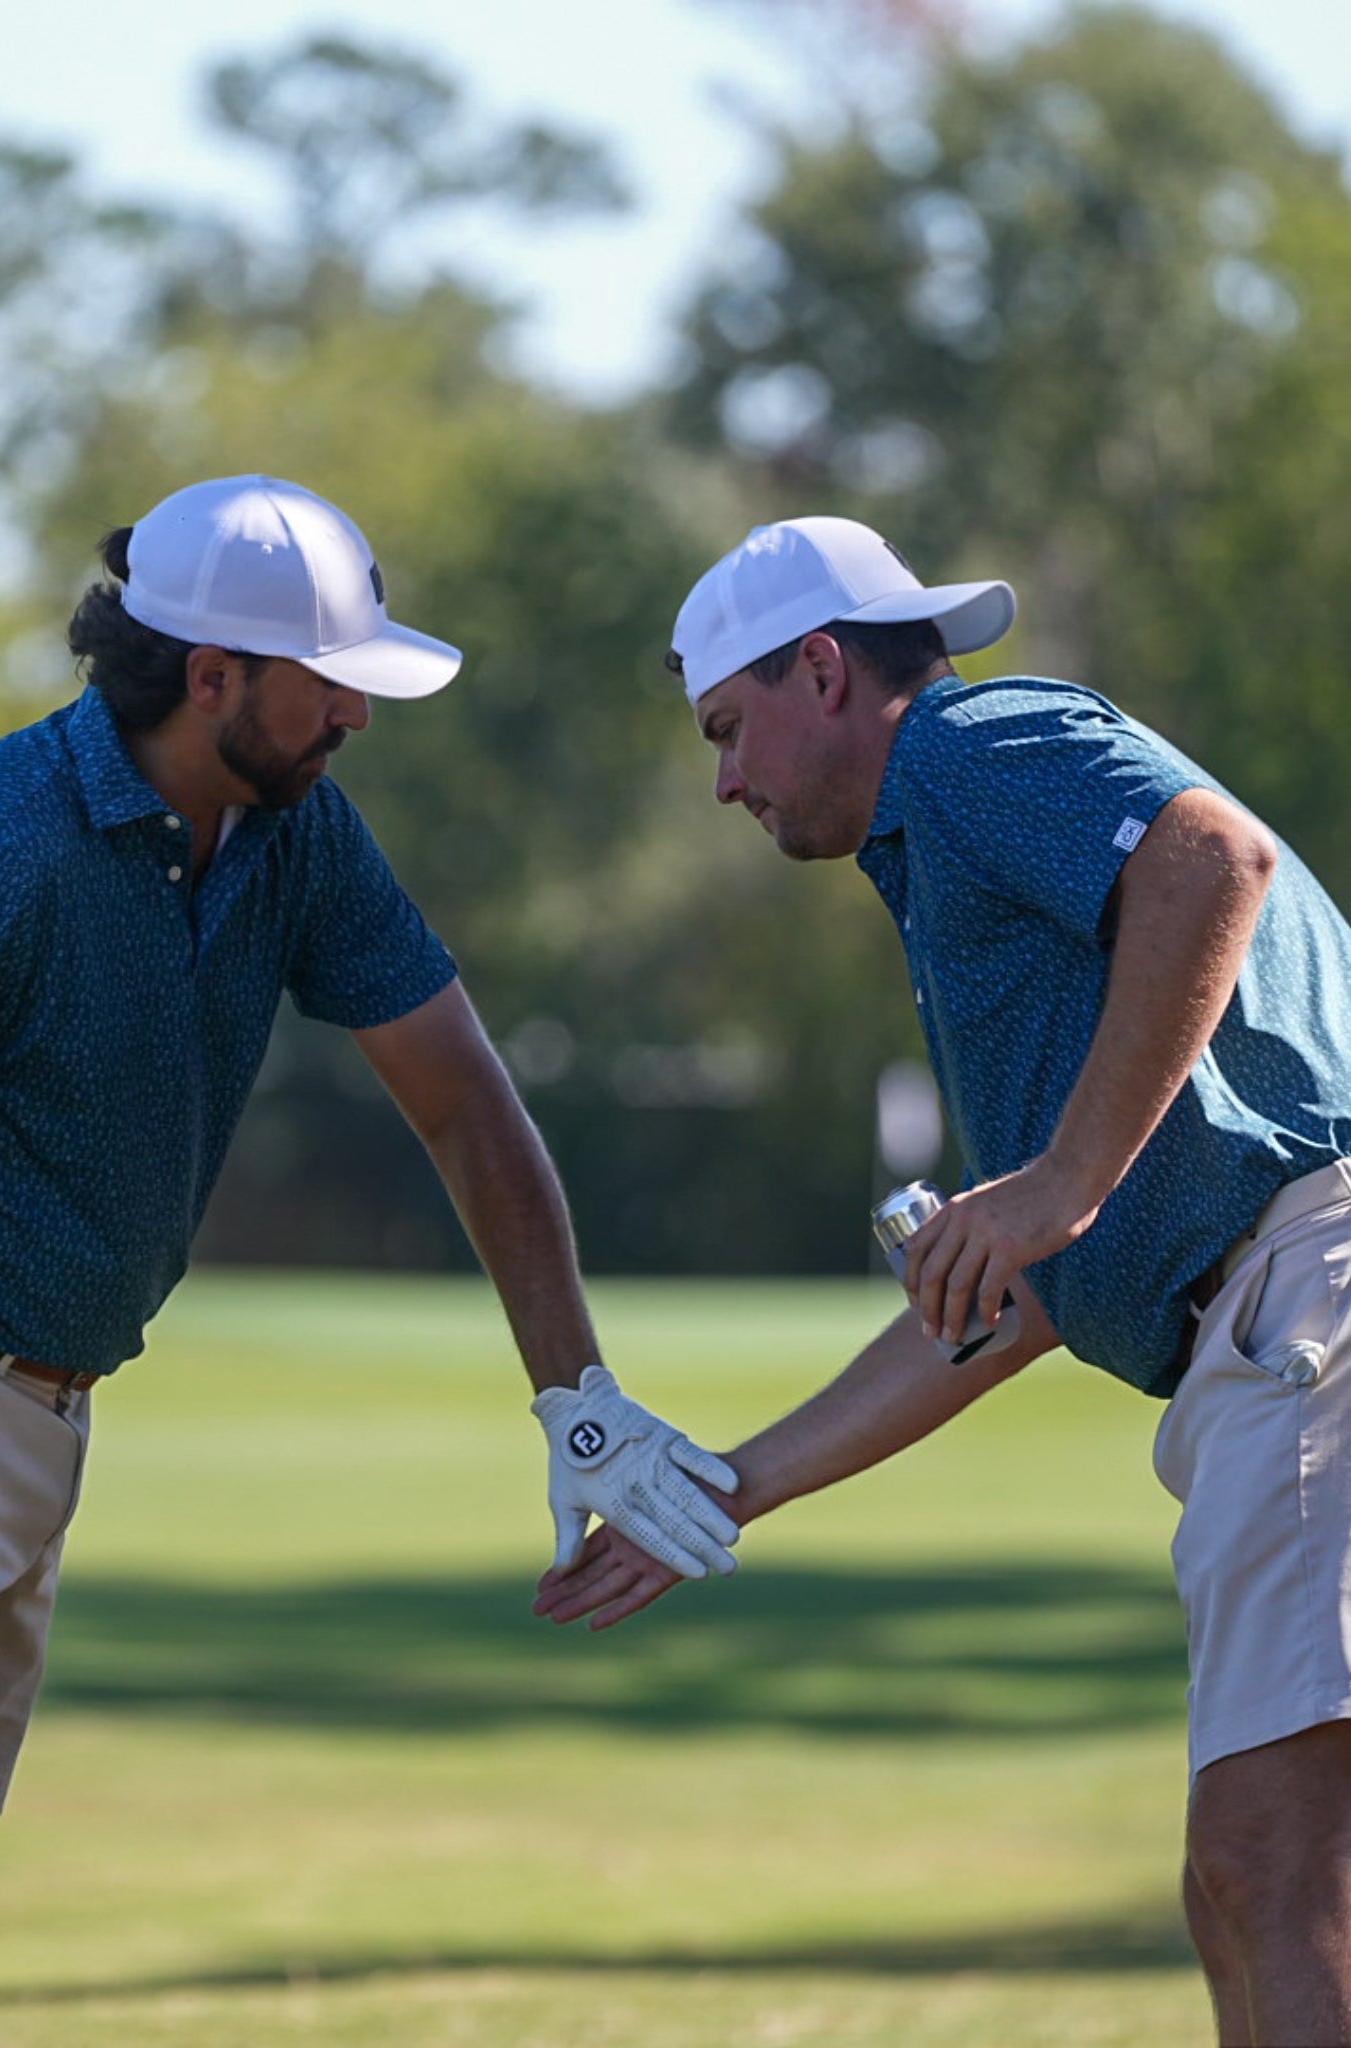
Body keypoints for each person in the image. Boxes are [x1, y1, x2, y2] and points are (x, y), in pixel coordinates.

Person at [0, 475, 740, 2045]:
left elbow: (462, 1101)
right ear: (212, 680)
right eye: (330, 686)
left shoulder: (288, 834)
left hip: (24, 1403)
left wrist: (573, 1394)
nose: (355, 720)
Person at [535, 513, 1351, 2046]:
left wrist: (1059, 1178)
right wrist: (731, 1486)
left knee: (1271, 1863)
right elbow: (1021, 1294)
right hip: (1282, 1317)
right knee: (1243, 1881)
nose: (721, 781)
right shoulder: (948, 852)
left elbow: (1209, 854)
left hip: (1312, 1297)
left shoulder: (969, 744)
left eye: (727, 730)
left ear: (823, 673)